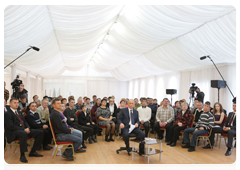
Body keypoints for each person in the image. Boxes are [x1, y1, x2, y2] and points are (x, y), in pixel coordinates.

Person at [4, 98, 44, 163]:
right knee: (23, 133)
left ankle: (33, 151)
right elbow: (11, 126)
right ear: (10, 104)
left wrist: (28, 127)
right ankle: (22, 155)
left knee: (40, 132)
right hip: (13, 132)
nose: (17, 104)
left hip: (23, 130)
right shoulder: (7, 114)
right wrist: (24, 129)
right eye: (15, 103)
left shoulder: (19, 112)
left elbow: (24, 121)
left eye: (17, 102)